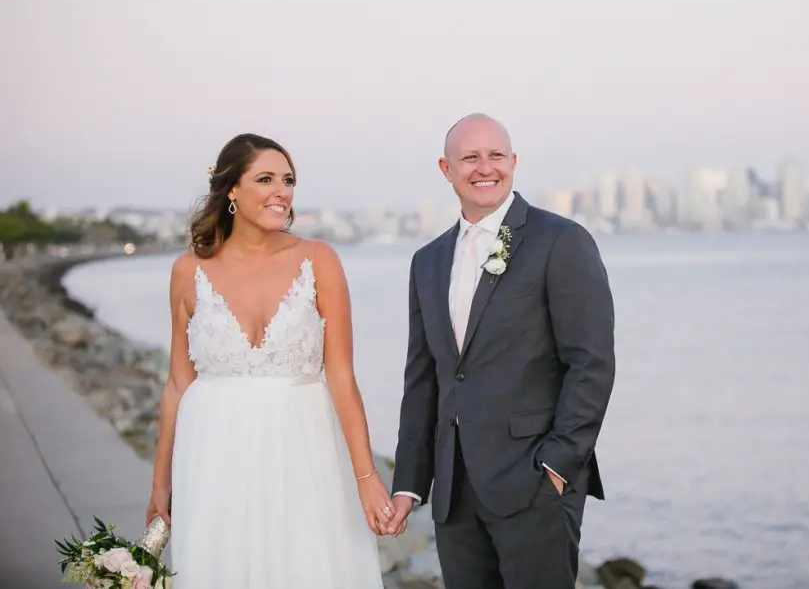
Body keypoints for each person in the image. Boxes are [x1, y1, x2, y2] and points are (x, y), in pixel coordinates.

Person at [145, 133, 388, 588]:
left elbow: (340, 376)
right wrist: (161, 483)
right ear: (232, 190)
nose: (282, 191)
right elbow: (177, 384)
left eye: (289, 180)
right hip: (213, 453)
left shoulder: (319, 260)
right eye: (266, 179)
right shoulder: (187, 272)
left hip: (305, 449)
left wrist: (367, 477)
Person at [387, 114, 616, 589]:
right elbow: (423, 378)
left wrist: (557, 466)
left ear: (513, 163)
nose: (484, 167)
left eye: (496, 156)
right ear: (445, 169)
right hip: (454, 492)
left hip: (534, 483)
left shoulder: (560, 241)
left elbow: (591, 362)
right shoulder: (427, 262)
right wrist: (410, 482)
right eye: (469, 157)